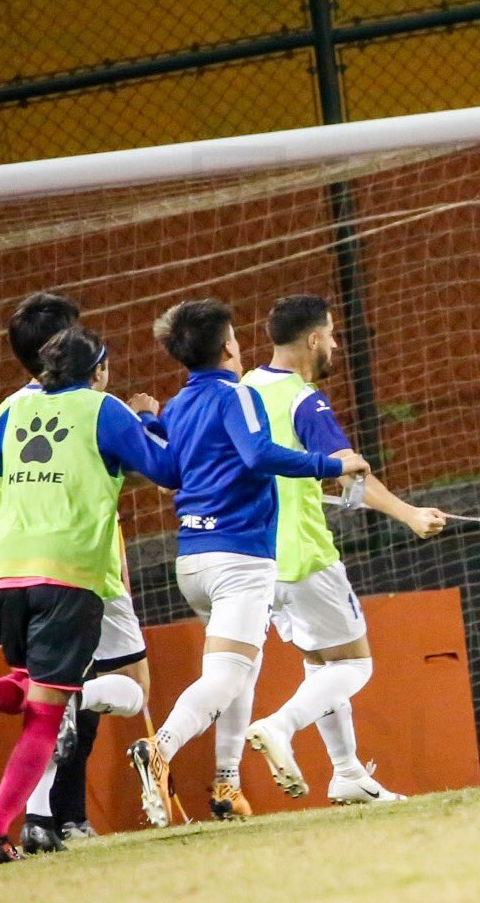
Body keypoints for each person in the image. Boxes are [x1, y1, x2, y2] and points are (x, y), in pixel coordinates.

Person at [128, 298, 368, 827]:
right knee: (227, 675)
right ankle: (161, 747)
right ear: (230, 347)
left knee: (241, 670)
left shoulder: (177, 405)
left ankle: (227, 784)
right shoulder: (235, 395)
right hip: (240, 557)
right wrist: (331, 463)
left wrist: (147, 420)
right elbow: (259, 454)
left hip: (192, 561)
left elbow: (166, 471)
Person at [0, 291, 159, 853]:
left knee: (44, 693)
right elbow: (145, 471)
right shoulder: (97, 405)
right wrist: (146, 424)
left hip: (10, 562)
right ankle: (48, 816)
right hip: (84, 562)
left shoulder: (2, 412)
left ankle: (49, 818)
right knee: (118, 691)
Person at [230, 294, 446, 805]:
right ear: (312, 339)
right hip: (305, 554)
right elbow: (351, 468)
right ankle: (281, 726)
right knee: (354, 666)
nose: (335, 344)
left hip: (255, 557)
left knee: (320, 667)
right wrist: (410, 514)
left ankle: (346, 773)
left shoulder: (243, 390)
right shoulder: (305, 400)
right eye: (331, 334)